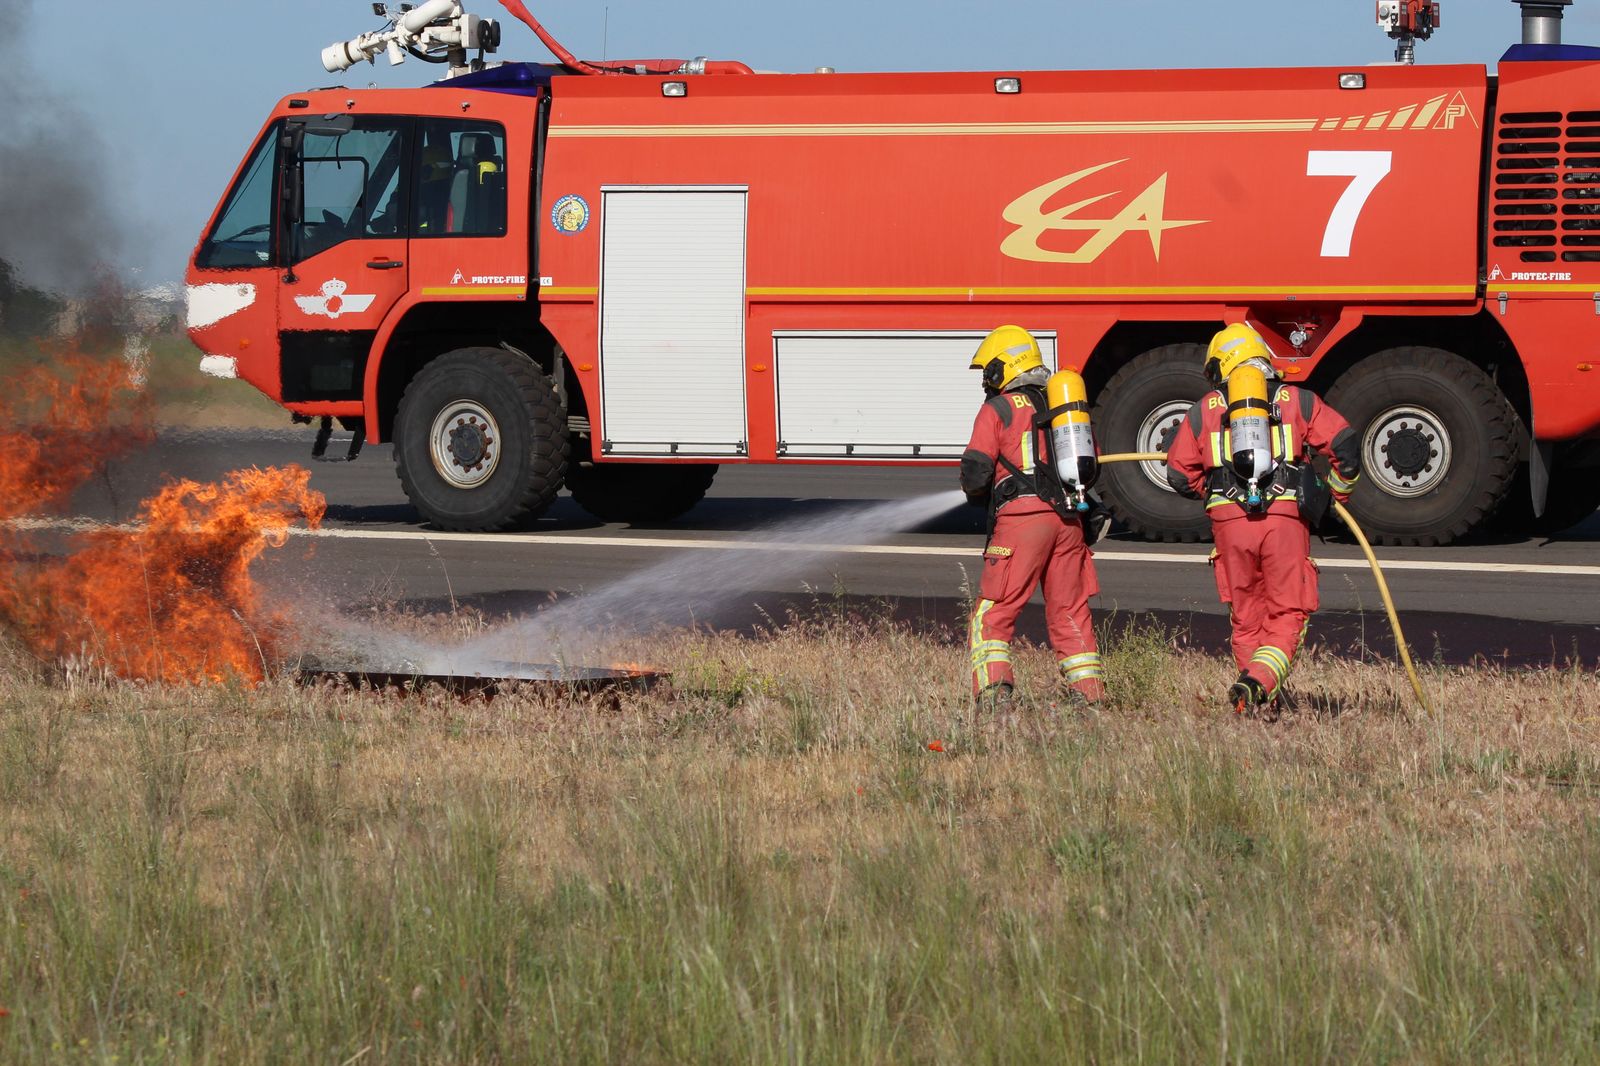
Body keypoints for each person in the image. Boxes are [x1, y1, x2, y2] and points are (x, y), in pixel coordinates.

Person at [1165, 323, 1362, 715]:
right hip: (1285, 519)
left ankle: (1250, 704)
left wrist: (1218, 495)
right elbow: (1347, 446)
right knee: (1288, 611)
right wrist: (1332, 495)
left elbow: (1177, 474)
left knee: (1246, 615)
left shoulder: (1202, 410)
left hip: (1228, 524)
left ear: (1222, 366)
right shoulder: (1299, 400)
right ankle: (1259, 682)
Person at [960, 325, 1105, 723]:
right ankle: (1088, 696)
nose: (987, 382)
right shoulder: (1064, 408)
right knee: (1070, 611)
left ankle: (993, 695)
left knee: (992, 613)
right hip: (1069, 522)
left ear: (1006, 367)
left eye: (989, 372)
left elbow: (975, 470)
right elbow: (1090, 465)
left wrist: (977, 493)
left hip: (1023, 523)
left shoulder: (999, 409)